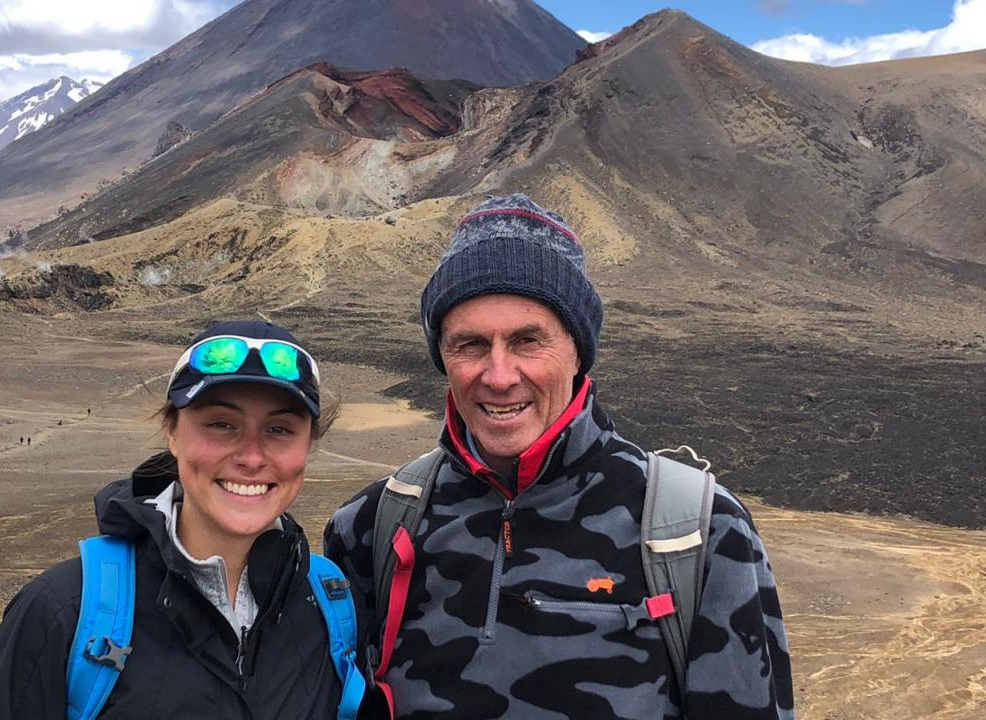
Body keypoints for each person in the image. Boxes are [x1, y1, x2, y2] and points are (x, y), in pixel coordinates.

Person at [324, 195, 794, 719]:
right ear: (443, 359)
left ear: (578, 350)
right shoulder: (371, 527)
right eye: (470, 345)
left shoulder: (699, 533)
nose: (499, 376)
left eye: (528, 341)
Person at [0, 320, 358, 719]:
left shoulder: (330, 606)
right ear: (172, 431)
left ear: (308, 444)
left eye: (279, 429)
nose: (251, 457)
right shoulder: (64, 610)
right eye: (221, 424)